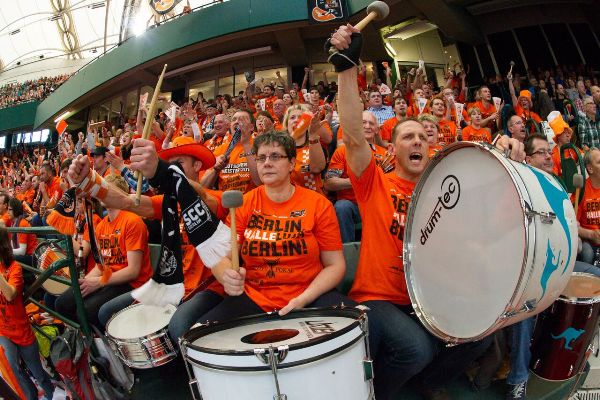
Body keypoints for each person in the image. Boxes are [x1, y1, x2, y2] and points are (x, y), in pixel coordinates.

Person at [329, 23, 525, 400]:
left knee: (478, 333)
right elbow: (352, 134)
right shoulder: (375, 182)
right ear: (392, 149)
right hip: (379, 298)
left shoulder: (443, 194)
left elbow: (486, 191)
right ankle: (375, 394)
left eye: (422, 137)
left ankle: (427, 385)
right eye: (408, 136)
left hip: (428, 298)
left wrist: (505, 155)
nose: (417, 141)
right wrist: (346, 68)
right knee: (416, 348)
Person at [70, 136, 227, 340]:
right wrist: (89, 181)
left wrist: (162, 170)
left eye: (179, 164)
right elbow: (126, 202)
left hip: (206, 288)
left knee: (178, 325)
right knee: (107, 312)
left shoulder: (218, 198)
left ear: (197, 165)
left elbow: (202, 198)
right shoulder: (168, 202)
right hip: (171, 285)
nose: (173, 168)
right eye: (170, 164)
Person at [197, 132, 350, 323]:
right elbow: (223, 258)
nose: (267, 163)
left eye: (275, 156)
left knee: (363, 324)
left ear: (292, 163)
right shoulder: (244, 203)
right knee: (201, 333)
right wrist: (226, 276)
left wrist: (303, 299)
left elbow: (335, 265)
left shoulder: (318, 204)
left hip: (310, 295)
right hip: (254, 297)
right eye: (261, 158)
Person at [55, 174, 153, 327]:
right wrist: (87, 281)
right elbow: (100, 265)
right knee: (62, 303)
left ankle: (99, 339)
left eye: (106, 189)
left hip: (133, 284)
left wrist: (99, 282)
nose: (101, 193)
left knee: (85, 311)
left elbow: (133, 271)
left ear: (118, 194)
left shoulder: (132, 221)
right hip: (109, 278)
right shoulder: (101, 226)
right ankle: (87, 337)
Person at [0, 226, 55, 400]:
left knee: (37, 371)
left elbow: (10, 294)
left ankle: (51, 394)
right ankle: (31, 396)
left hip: (21, 330)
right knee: (14, 369)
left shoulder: (14, 267)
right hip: (3, 330)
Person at [325, 111, 388, 243]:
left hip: (378, 205)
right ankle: (347, 251)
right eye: (363, 123)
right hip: (352, 205)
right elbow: (329, 182)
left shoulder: (385, 154)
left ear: (377, 130)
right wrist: (358, 181)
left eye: (371, 123)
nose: (367, 126)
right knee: (342, 207)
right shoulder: (342, 151)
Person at [282, 104, 328, 193]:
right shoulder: (280, 150)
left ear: (307, 125)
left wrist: (313, 135)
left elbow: (317, 168)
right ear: (286, 125)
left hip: (313, 197)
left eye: (300, 117)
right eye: (292, 117)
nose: (296, 120)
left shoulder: (314, 146)